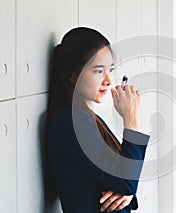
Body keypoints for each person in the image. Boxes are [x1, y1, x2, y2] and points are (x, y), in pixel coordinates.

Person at [43, 27, 150, 213]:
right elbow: (126, 181)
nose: (109, 80)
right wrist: (131, 120)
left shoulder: (84, 118)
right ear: (73, 76)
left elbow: (124, 182)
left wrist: (127, 193)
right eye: (98, 71)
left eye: (110, 70)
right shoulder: (70, 123)